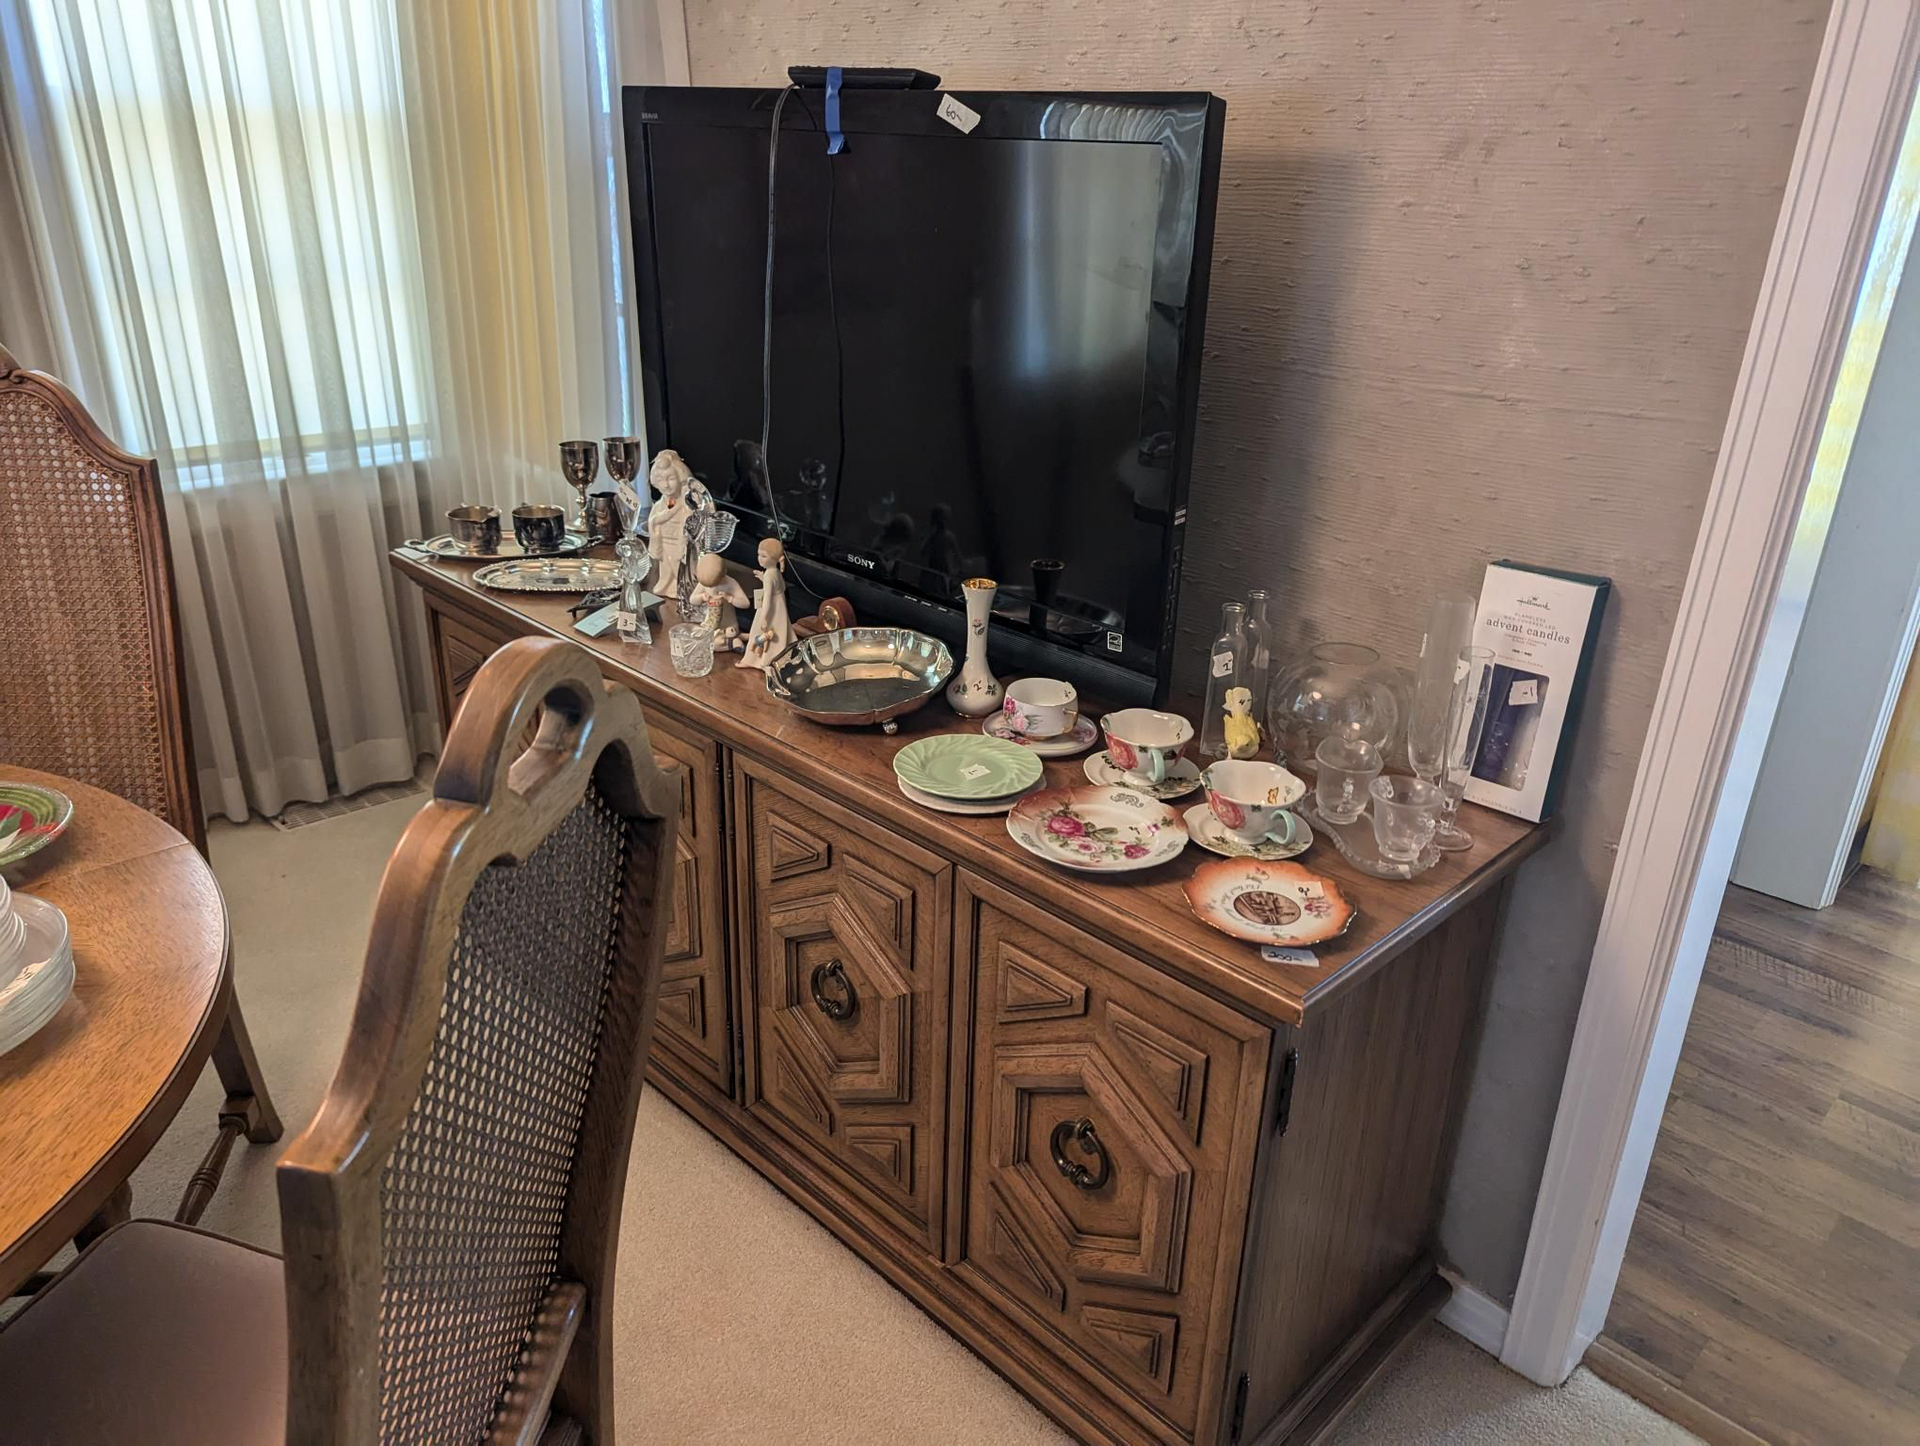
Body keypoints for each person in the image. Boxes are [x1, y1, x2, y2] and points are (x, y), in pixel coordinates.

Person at [737, 536, 793, 670]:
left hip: (770, 608)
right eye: (758, 555)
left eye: (764, 556)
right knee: (780, 631)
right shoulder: (775, 572)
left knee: (759, 631)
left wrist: (764, 618)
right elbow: (782, 587)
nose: (759, 558)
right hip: (780, 606)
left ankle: (752, 660)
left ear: (773, 558)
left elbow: (767, 599)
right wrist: (765, 580)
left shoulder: (769, 575)